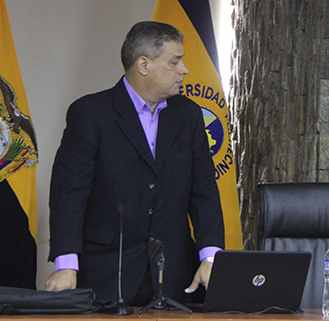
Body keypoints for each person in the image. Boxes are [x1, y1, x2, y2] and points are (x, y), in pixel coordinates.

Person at [45, 21, 225, 306]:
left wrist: (211, 256)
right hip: (106, 276)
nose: (184, 70)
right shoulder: (91, 114)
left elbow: (203, 191)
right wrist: (66, 263)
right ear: (144, 65)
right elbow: (69, 193)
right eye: (175, 61)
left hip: (173, 278)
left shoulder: (188, 115)